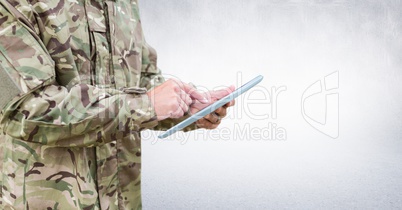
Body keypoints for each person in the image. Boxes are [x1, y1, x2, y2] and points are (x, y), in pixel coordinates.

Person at [0, 0, 234, 209]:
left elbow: (141, 78)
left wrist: (188, 106)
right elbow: (25, 108)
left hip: (123, 199)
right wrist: (144, 105)